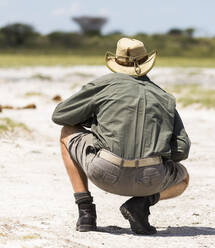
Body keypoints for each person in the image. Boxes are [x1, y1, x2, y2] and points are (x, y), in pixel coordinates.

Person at [52, 38, 191, 235]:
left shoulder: (102, 85)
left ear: (116, 62)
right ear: (146, 63)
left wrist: (94, 122)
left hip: (103, 172)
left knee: (66, 132)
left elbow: (60, 116)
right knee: (183, 178)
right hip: (151, 178)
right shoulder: (164, 97)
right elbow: (182, 150)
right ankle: (141, 204)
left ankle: (86, 213)